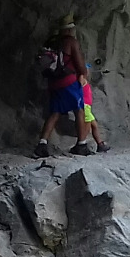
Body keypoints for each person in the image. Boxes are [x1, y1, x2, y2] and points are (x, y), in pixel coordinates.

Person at [35, 22, 90, 157]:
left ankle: (42, 144)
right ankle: (81, 144)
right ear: (70, 30)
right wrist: (84, 73)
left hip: (54, 82)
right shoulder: (71, 42)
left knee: (55, 112)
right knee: (79, 110)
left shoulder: (52, 42)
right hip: (69, 82)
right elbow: (81, 66)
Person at [80, 65, 110, 153]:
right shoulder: (81, 79)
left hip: (87, 107)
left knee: (94, 125)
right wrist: (82, 72)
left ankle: (100, 144)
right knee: (87, 125)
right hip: (84, 106)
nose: (88, 72)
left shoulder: (86, 81)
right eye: (87, 71)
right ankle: (81, 144)